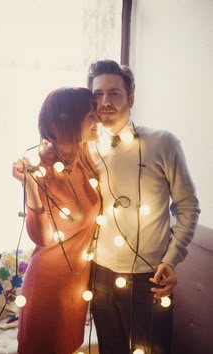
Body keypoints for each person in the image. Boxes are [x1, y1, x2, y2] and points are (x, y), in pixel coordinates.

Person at [86, 60, 200, 354]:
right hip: (99, 275)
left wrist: (172, 259)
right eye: (98, 94)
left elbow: (188, 207)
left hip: (148, 277)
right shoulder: (87, 148)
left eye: (114, 93)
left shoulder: (162, 142)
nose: (105, 102)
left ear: (131, 100)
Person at [12, 87, 101, 354]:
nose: (97, 120)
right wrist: (30, 185)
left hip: (77, 287)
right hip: (48, 287)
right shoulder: (43, 170)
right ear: (69, 121)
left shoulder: (85, 161)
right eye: (91, 115)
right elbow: (41, 237)